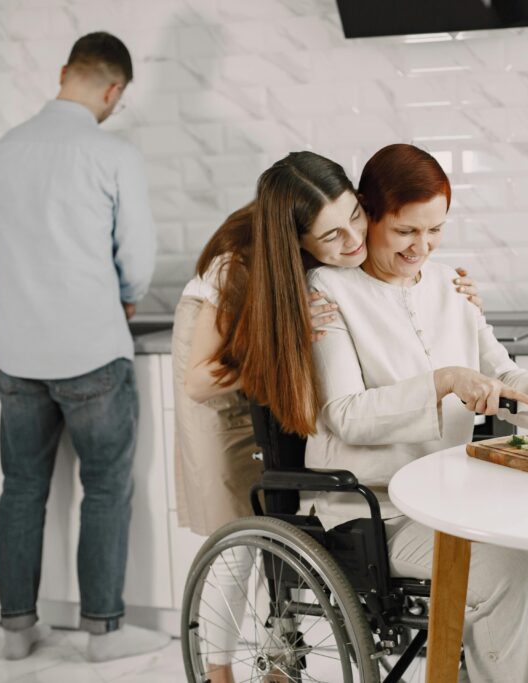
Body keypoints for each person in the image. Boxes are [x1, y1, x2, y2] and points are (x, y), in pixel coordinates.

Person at [171, 151, 483, 683]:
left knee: (296, 495)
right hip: (223, 368)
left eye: (355, 218)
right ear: (295, 242)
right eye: (332, 237)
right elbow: (199, 380)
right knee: (245, 520)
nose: (354, 241)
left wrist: (451, 298)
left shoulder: (334, 247)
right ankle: (219, 671)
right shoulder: (238, 266)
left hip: (285, 349)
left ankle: (279, 653)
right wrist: (275, 335)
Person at [306, 143, 528, 683]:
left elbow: (500, 375)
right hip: (379, 509)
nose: (422, 246)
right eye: (406, 231)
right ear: (368, 215)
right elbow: (345, 415)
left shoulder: (448, 284)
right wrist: (442, 382)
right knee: (513, 575)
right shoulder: (328, 293)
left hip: (457, 499)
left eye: (435, 230)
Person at [0, 32, 168, 662]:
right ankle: (102, 634)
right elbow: (137, 260)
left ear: (65, 72)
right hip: (91, 350)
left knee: (21, 490)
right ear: (114, 90)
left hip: (16, 354)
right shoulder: (111, 153)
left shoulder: (2, 151)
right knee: (108, 489)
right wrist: (122, 299)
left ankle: (15, 632)